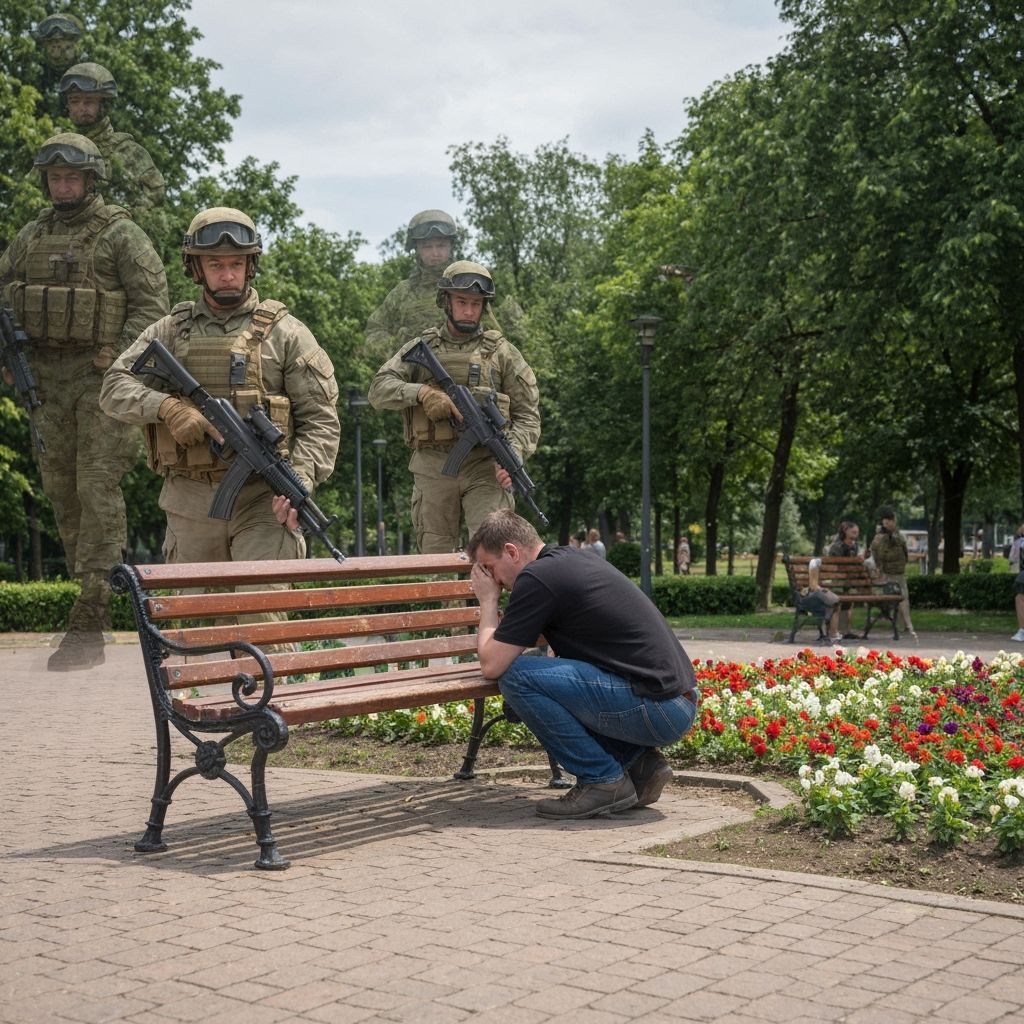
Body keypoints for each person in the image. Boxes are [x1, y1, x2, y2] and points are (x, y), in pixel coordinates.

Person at [100, 207, 340, 592]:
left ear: (251, 265)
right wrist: (168, 408)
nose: (227, 275)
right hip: (189, 502)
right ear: (196, 269)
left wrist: (301, 480)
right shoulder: (169, 331)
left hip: (265, 503)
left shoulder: (287, 334)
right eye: (215, 265)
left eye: (236, 264)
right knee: (196, 635)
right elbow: (113, 388)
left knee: (265, 626)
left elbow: (320, 421)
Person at [0, 133, 168, 670]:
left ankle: (92, 609)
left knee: (97, 485)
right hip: (45, 383)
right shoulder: (30, 235)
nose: (63, 185)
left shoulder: (122, 235)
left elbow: (153, 311)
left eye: (72, 177)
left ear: (91, 179)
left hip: (101, 384)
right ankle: (89, 588)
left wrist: (118, 360)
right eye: (54, 177)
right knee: (60, 488)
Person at [468, 510, 699, 819]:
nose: (492, 580)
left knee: (516, 677)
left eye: (489, 568)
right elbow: (525, 639)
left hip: (657, 708)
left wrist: (488, 602)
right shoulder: (567, 561)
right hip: (676, 702)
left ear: (511, 552)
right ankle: (640, 765)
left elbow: (493, 665)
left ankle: (602, 780)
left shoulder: (536, 578)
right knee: (538, 672)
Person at [368, 260, 540, 553]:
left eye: (476, 303)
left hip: (485, 467)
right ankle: (443, 602)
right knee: (436, 561)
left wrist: (514, 453)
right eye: (462, 301)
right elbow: (378, 390)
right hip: (433, 467)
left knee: (493, 552)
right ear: (446, 301)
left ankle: (487, 602)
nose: (470, 311)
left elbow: (528, 415)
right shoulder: (420, 348)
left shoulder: (503, 354)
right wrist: (422, 392)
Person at [58, 62, 167, 231]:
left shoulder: (126, 150)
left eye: (89, 101)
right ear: (68, 106)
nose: (81, 108)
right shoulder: (59, 150)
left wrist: (121, 217)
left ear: (103, 105)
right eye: (75, 101)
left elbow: (156, 191)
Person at [363, 209, 458, 366]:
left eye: (441, 245)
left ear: (450, 247)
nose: (435, 253)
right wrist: (401, 347)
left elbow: (491, 338)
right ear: (417, 250)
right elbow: (373, 334)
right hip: (409, 381)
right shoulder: (402, 293)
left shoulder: (467, 287)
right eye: (427, 247)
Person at [870, 508, 917, 641]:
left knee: (904, 598)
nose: (889, 524)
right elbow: (875, 552)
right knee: (900, 598)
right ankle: (907, 626)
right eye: (886, 522)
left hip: (899, 572)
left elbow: (904, 551)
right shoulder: (880, 537)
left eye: (891, 522)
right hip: (887, 574)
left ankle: (904, 626)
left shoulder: (898, 535)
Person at [827, 520, 861, 638]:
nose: (856, 532)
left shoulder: (855, 546)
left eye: (856, 531)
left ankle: (846, 631)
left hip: (850, 581)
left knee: (848, 604)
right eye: (853, 530)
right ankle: (835, 631)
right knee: (837, 603)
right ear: (845, 531)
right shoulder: (837, 546)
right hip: (839, 580)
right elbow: (835, 566)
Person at [805, 556, 842, 644]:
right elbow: (813, 586)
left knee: (833, 603)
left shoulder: (815, 565)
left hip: (814, 596)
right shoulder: (814, 564)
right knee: (834, 604)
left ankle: (831, 634)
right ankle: (833, 634)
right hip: (813, 598)